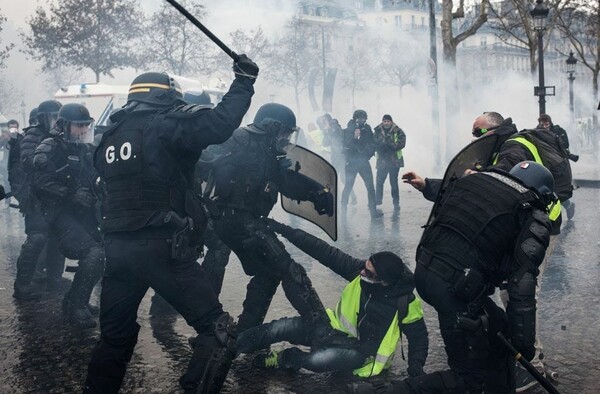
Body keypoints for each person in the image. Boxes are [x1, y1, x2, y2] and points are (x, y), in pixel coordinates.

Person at [85, 54, 259, 394]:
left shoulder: (110, 137)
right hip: (162, 246)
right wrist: (243, 82)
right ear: (165, 97)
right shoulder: (167, 123)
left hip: (118, 252)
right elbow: (220, 124)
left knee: (114, 339)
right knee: (217, 332)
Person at [353, 162, 554, 393]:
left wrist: (427, 184)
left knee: (498, 331)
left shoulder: (476, 181)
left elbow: (447, 190)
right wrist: (525, 347)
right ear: (544, 194)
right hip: (456, 289)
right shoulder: (532, 212)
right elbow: (522, 286)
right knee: (468, 379)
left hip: (428, 271)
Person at [208, 103, 335, 345]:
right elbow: (202, 158)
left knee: (269, 272)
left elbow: (286, 182)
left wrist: (315, 192)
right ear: (271, 127)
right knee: (289, 269)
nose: (287, 138)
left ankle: (245, 333)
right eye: (285, 132)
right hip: (235, 219)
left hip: (247, 220)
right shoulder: (241, 139)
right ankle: (322, 331)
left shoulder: (268, 152)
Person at [238, 218, 428, 378]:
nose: (362, 272)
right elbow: (324, 251)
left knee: (317, 360)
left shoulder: (405, 302)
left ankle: (285, 359)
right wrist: (284, 230)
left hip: (360, 353)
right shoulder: (359, 272)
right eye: (365, 266)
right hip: (329, 327)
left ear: (385, 282)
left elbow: (419, 338)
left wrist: (416, 370)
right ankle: (230, 347)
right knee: (280, 327)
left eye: (368, 272)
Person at [32, 103, 105, 328]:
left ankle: (75, 299)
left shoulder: (84, 149)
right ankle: (75, 306)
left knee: (102, 254)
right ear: (64, 126)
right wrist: (70, 194)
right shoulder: (50, 147)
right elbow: (40, 182)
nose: (83, 130)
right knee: (94, 253)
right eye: (78, 126)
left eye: (86, 126)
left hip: (83, 214)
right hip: (58, 214)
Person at [13, 100, 66, 300]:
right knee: (37, 239)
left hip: (57, 197)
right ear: (44, 117)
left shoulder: (62, 135)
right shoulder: (33, 135)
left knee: (59, 240)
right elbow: (29, 162)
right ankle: (23, 285)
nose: (56, 122)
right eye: (53, 117)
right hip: (37, 198)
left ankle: (55, 281)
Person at [341, 109, 382, 219]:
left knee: (370, 187)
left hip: (363, 162)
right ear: (355, 118)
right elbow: (347, 145)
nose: (361, 120)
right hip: (352, 163)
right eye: (359, 118)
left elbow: (372, 143)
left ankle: (373, 212)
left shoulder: (367, 128)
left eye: (363, 118)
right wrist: (355, 137)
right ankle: (342, 210)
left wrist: (368, 154)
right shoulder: (349, 129)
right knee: (348, 186)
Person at [537, 113, 577, 220]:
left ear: (550, 122)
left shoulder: (558, 131)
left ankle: (567, 206)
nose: (545, 126)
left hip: (558, 164)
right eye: (543, 124)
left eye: (546, 124)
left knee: (556, 189)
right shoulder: (536, 132)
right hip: (544, 163)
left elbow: (565, 145)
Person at [374, 114, 406, 213]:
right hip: (382, 161)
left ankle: (396, 203)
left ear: (391, 122)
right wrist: (380, 147)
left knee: (393, 183)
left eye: (388, 121)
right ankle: (378, 201)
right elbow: (373, 142)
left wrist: (390, 145)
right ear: (382, 122)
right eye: (384, 121)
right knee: (379, 182)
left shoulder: (398, 131)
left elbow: (402, 143)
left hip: (394, 161)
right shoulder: (377, 131)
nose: (386, 123)